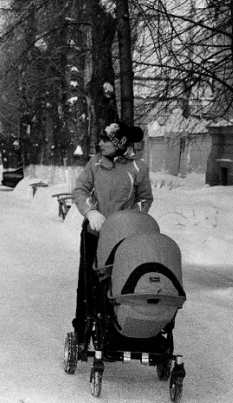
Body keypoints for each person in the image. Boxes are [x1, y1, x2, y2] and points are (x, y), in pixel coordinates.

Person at [71, 121, 153, 340]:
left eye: (105, 140)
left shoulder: (138, 168)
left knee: (120, 281)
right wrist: (90, 212)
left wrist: (130, 219)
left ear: (119, 143)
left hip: (125, 237)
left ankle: (118, 329)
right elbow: (80, 189)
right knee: (88, 284)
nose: (100, 143)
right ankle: (82, 331)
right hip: (95, 234)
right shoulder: (95, 163)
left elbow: (145, 199)